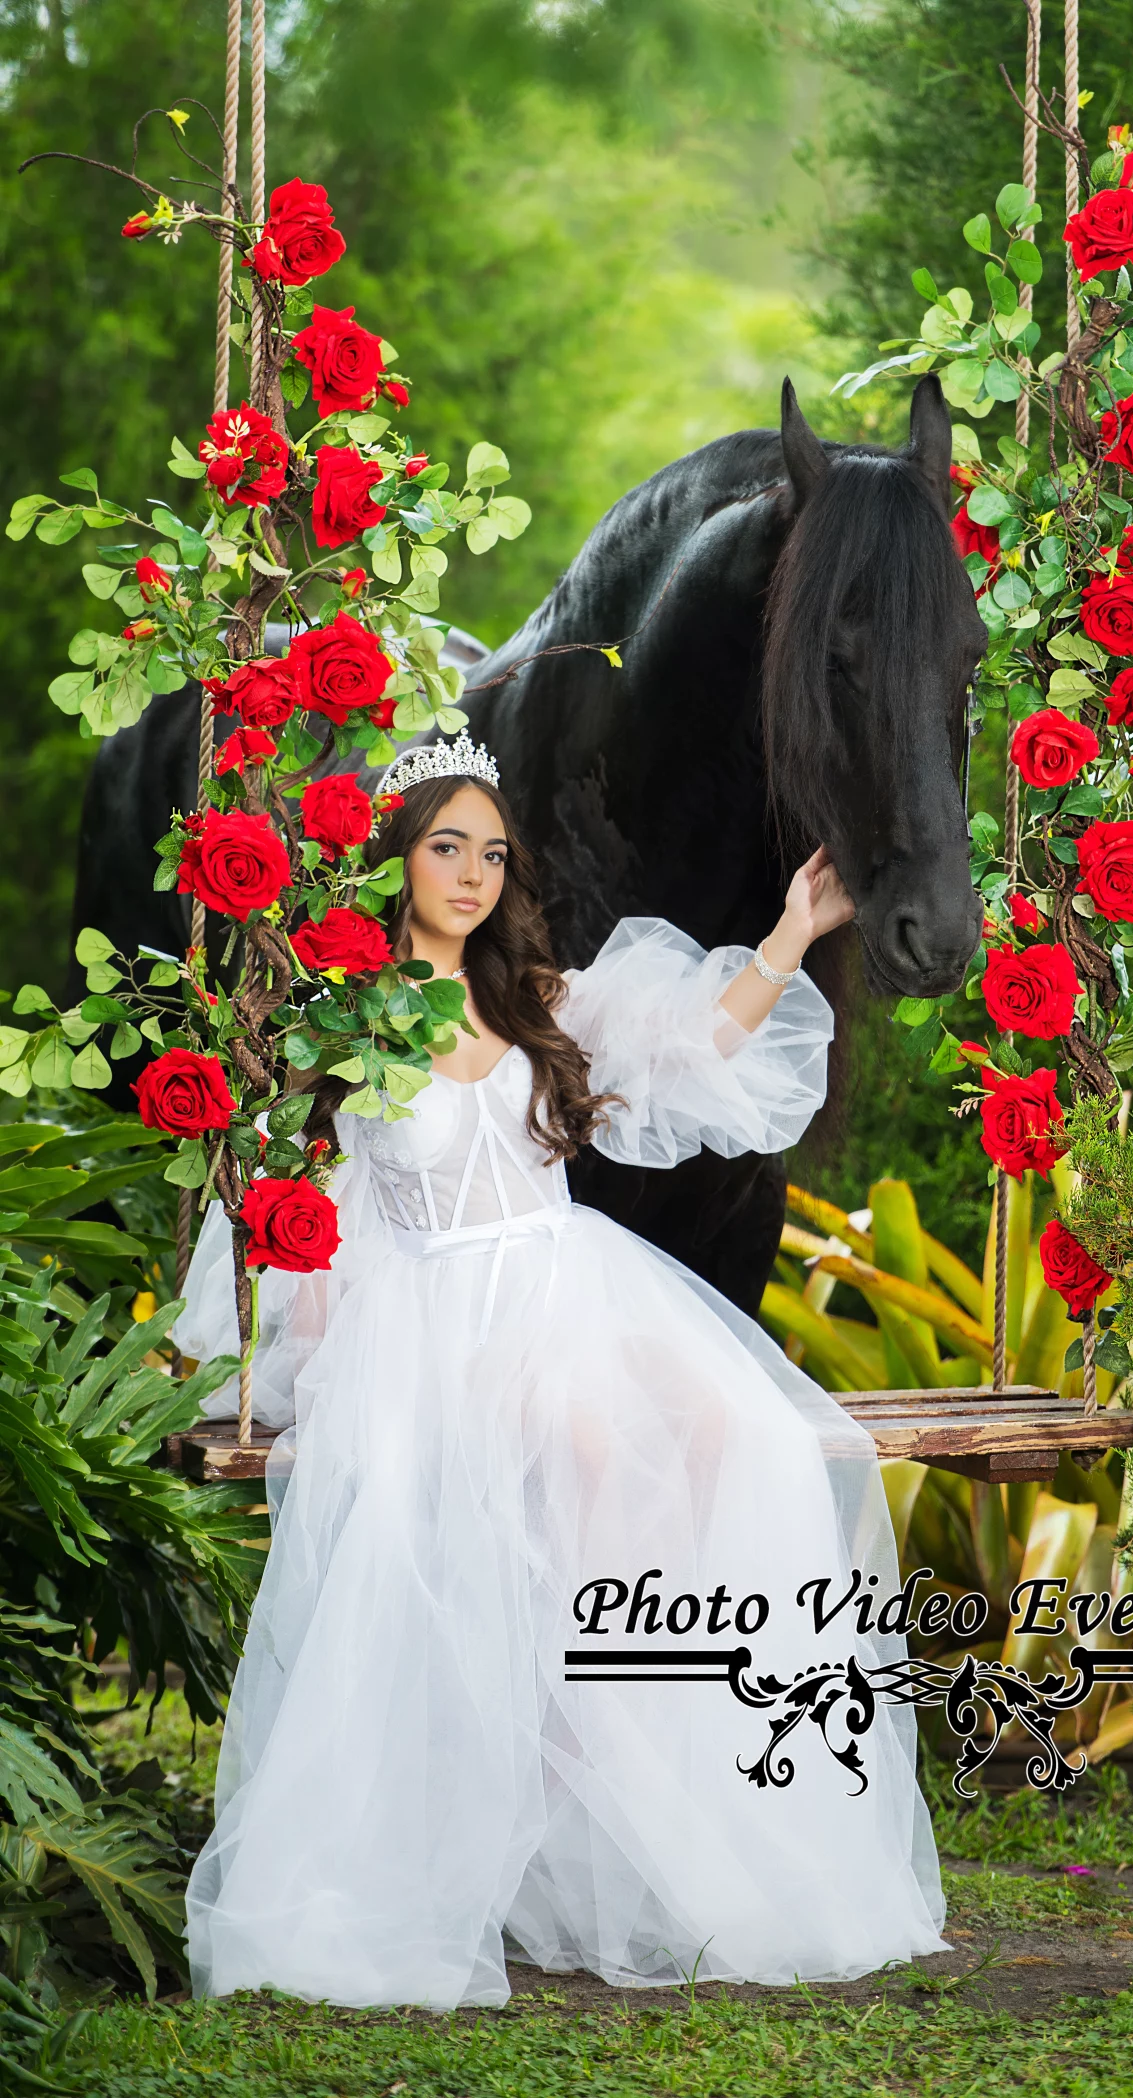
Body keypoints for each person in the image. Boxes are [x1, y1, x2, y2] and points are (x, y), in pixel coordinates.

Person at [175, 730, 946, 2009]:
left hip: (570, 1281)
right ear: (398, 861)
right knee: (585, 1444)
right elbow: (292, 1222)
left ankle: (660, 1768)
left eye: (489, 852)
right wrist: (278, 1368)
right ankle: (541, 1773)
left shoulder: (538, 998)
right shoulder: (344, 1032)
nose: (471, 874)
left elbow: (698, 1047)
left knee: (738, 1436)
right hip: (437, 1311)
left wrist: (793, 933)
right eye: (444, 847)